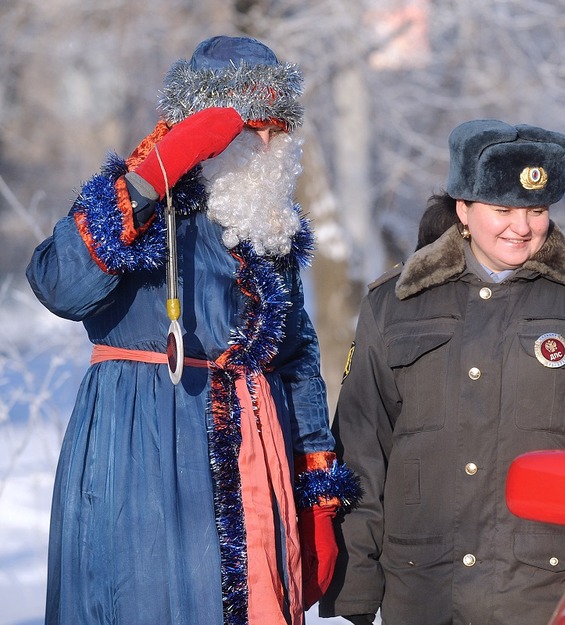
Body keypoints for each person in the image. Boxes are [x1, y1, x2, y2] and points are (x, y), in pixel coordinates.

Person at [26, 35, 359, 625]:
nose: (262, 145)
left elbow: (296, 357)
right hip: (144, 449)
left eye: (272, 130)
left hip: (260, 454)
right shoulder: (141, 205)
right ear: (203, 132)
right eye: (245, 128)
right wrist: (152, 178)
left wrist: (319, 499)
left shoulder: (269, 225)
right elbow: (60, 286)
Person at [319, 119, 565, 624]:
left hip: (547, 593)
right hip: (422, 591)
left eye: (536, 211)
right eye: (502, 209)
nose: (520, 228)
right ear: (463, 208)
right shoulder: (395, 303)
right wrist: (354, 588)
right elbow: (361, 449)